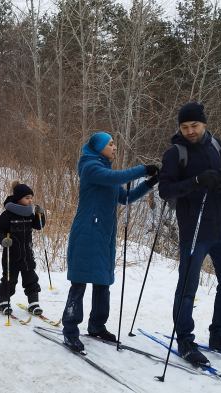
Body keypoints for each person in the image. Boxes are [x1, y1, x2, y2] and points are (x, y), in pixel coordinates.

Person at [157, 102, 221, 366]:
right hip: (194, 231)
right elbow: (165, 190)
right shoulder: (175, 153)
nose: (189, 131)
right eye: (184, 127)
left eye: (194, 125)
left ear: (204, 123)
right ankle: (184, 339)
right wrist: (195, 183)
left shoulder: (216, 145)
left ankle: (219, 334)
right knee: (188, 287)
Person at [61, 132, 158, 352]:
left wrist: (150, 183)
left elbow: (124, 197)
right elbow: (116, 179)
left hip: (103, 234)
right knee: (79, 283)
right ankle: (70, 331)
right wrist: (143, 169)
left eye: (114, 144)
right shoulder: (90, 167)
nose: (115, 148)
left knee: (103, 282)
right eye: (111, 144)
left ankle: (97, 325)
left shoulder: (105, 171)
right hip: (87, 232)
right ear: (99, 148)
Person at [0, 180, 46, 316]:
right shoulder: (7, 215)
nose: (30, 201)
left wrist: (41, 215)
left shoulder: (29, 214)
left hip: (27, 254)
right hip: (11, 255)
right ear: (18, 199)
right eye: (27, 198)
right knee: (9, 280)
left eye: (31, 198)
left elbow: (38, 226)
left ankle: (34, 303)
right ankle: (4, 302)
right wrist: (3, 240)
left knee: (31, 279)